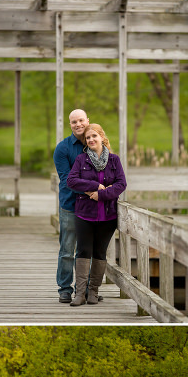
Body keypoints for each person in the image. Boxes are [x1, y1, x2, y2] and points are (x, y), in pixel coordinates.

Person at [66, 124, 127, 306]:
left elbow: (121, 184)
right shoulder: (81, 159)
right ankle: (80, 294)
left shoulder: (114, 160)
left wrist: (101, 195)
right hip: (84, 214)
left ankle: (93, 292)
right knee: (83, 250)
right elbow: (71, 181)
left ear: (101, 137)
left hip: (107, 217)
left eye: (94, 136)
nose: (91, 140)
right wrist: (94, 186)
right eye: (87, 138)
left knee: (100, 252)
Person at [53, 109, 93, 304]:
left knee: (86, 251)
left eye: (81, 120)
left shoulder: (95, 143)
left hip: (91, 208)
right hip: (70, 205)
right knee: (67, 249)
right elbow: (68, 180)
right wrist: (93, 188)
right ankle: (65, 288)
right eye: (73, 122)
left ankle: (83, 290)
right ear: (70, 124)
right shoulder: (63, 148)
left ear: (87, 120)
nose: (78, 124)